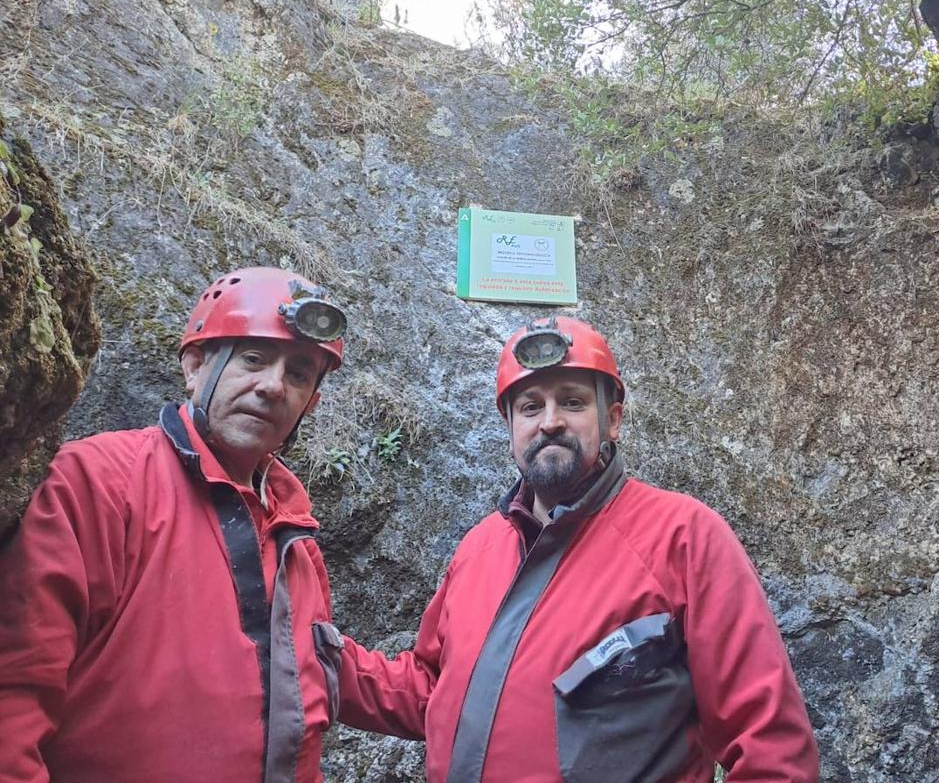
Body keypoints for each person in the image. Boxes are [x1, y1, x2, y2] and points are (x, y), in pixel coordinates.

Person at [339, 315, 820, 782]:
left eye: (571, 402)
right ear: (510, 429)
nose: (550, 422)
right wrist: (313, 659)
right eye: (530, 407)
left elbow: (772, 751)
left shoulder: (684, 537)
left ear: (611, 420)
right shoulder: (480, 548)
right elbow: (430, 689)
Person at [0, 266, 363, 782]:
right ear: (195, 366)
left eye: (299, 374)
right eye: (254, 359)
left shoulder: (293, 532)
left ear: (312, 402)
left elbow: (314, 681)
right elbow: (15, 687)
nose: (272, 387)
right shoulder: (98, 482)